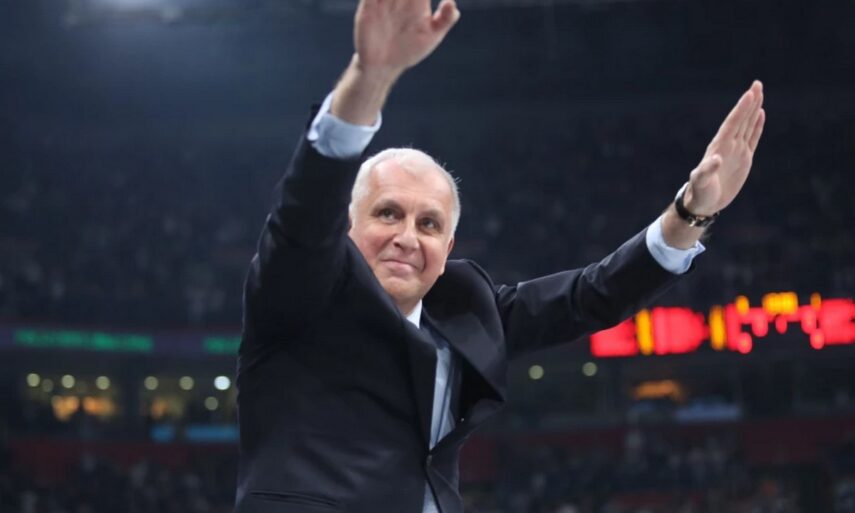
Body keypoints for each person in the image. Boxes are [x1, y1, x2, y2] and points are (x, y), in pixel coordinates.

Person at [235, 0, 766, 511]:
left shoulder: (464, 309)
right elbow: (304, 210)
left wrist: (691, 213)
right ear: (346, 228)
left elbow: (590, 297)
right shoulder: (299, 293)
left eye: (429, 224)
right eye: (388, 213)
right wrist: (370, 78)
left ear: (448, 249)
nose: (407, 237)